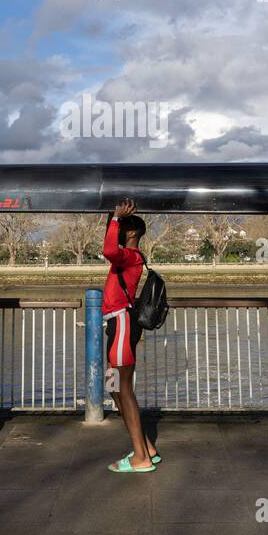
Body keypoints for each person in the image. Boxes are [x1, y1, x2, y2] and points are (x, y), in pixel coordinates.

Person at [103, 199, 158, 473]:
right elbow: (109, 243)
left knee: (124, 391)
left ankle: (141, 457)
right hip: (115, 325)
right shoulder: (128, 256)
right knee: (113, 387)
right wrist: (111, 218)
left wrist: (116, 218)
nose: (116, 230)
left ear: (131, 233)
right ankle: (146, 446)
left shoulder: (130, 256)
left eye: (121, 227)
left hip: (122, 325)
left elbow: (108, 249)